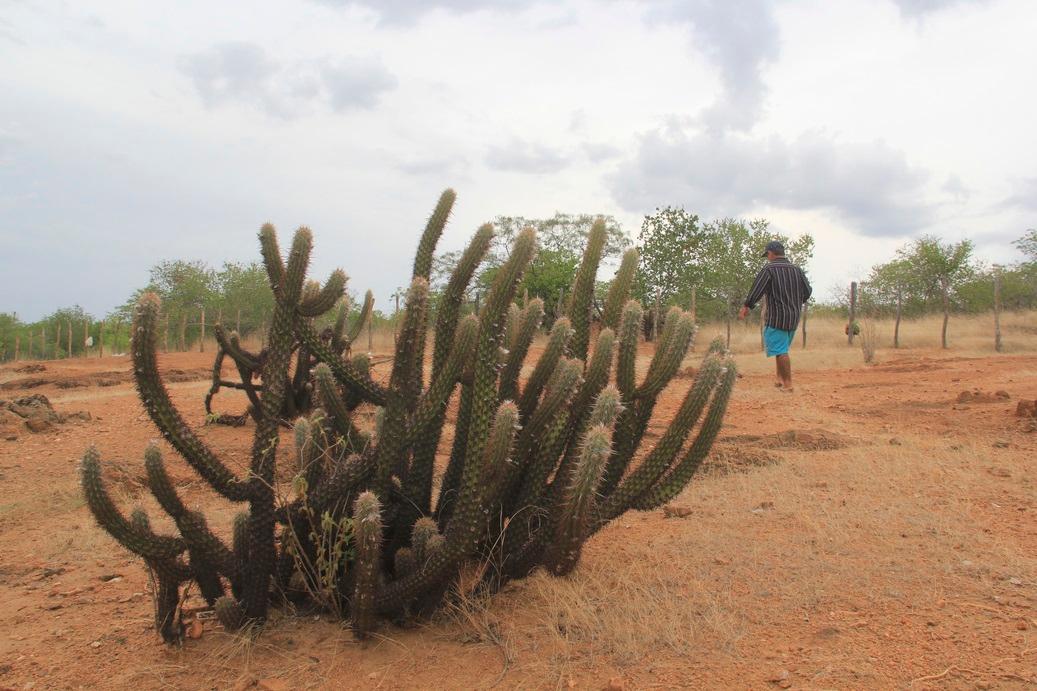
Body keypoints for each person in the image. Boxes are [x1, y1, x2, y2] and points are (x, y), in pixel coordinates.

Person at [738, 240, 812, 392]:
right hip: (793, 317)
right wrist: (796, 301)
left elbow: (757, 289)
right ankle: (779, 379)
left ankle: (788, 385)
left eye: (767, 255)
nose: (767, 258)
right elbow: (808, 291)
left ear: (771, 253)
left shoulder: (769, 269)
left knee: (780, 350)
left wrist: (747, 305)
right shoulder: (797, 269)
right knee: (782, 348)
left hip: (776, 317)